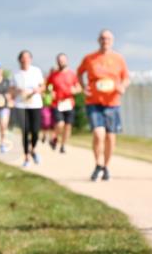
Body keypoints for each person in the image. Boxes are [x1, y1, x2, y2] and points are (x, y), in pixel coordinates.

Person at [77, 30, 130, 181]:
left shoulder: (118, 58)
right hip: (94, 101)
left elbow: (126, 78)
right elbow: (79, 72)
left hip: (112, 103)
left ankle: (106, 166)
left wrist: (122, 87)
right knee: (98, 134)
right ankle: (98, 164)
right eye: (102, 38)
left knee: (110, 137)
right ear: (98, 40)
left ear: (112, 41)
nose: (105, 40)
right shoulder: (90, 58)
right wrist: (83, 86)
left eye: (108, 38)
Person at [11, 50, 46, 167]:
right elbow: (11, 90)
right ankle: (26, 157)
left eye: (28, 57)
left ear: (31, 59)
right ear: (20, 60)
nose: (25, 60)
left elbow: (43, 86)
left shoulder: (36, 71)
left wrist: (38, 90)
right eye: (23, 57)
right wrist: (18, 91)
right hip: (21, 105)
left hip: (35, 104)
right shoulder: (15, 74)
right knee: (25, 131)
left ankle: (33, 149)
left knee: (35, 131)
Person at [46, 53, 81, 153]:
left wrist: (75, 90)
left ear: (66, 61)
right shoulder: (53, 75)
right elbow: (47, 87)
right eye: (59, 60)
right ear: (57, 62)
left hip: (69, 103)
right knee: (60, 124)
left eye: (63, 60)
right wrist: (50, 92)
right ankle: (55, 138)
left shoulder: (72, 74)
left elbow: (79, 87)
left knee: (68, 126)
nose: (61, 62)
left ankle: (63, 145)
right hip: (57, 103)